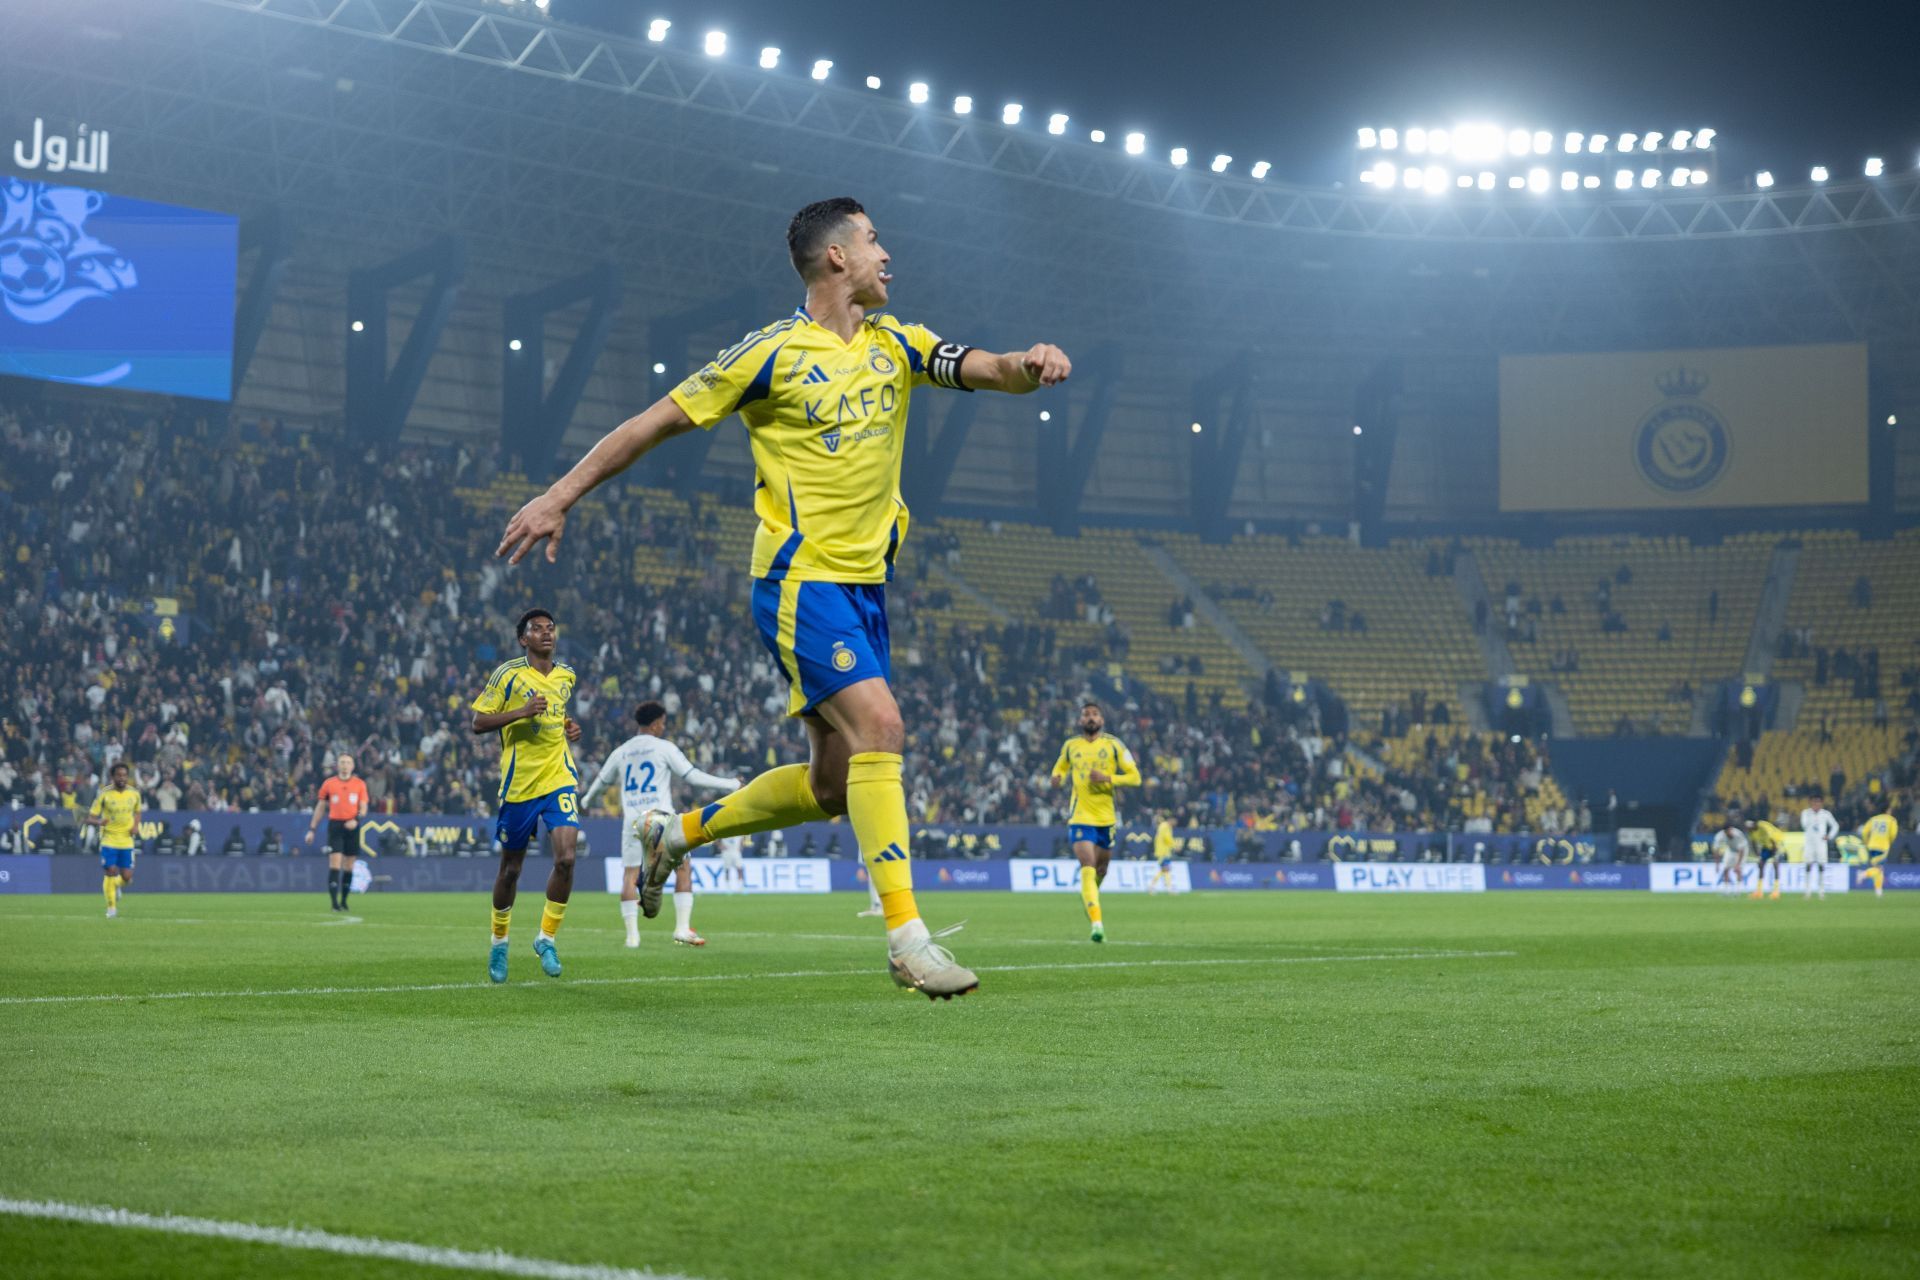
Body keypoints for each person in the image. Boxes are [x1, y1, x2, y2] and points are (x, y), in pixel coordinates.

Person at [495, 197, 1070, 1000]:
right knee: (883, 727)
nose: (886, 254)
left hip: (869, 589)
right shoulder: (768, 354)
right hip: (801, 583)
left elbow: (987, 368)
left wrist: (1031, 361)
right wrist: (561, 494)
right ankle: (908, 939)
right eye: (872, 240)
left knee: (833, 789)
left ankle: (674, 833)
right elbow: (652, 422)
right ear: (837, 257)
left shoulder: (899, 342)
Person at [470, 608, 583, 983]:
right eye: (537, 629)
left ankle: (546, 938)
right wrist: (521, 711)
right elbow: (478, 722)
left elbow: (556, 712)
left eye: (551, 628)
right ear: (523, 639)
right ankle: (499, 942)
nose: (546, 633)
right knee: (511, 869)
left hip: (559, 777)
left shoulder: (567, 675)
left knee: (566, 858)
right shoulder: (508, 674)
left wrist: (568, 726)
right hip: (519, 785)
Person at [581, 700, 740, 949]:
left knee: (630, 875)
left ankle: (632, 937)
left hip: (632, 821)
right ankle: (681, 928)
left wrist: (587, 799)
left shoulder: (621, 751)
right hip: (661, 818)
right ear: (655, 725)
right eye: (663, 724)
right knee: (684, 868)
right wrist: (729, 784)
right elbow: (692, 776)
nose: (664, 728)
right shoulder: (664, 748)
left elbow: (600, 782)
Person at [1049, 701, 1141, 941]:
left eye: (1094, 714)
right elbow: (1060, 766)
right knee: (1088, 864)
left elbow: (1135, 778)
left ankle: (1089, 897)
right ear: (1080, 721)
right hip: (1080, 816)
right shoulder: (1071, 746)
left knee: (1101, 869)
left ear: (1102, 720)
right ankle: (1097, 924)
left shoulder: (1114, 745)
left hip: (1107, 818)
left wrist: (1108, 778)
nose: (1090, 718)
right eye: (1086, 715)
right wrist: (1056, 776)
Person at [305, 753, 371, 912]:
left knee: (349, 865)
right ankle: (334, 902)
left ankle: (344, 900)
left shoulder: (360, 784)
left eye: (348, 762)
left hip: (353, 826)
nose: (345, 765)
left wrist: (356, 819)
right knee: (335, 863)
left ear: (353, 766)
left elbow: (363, 807)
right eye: (342, 762)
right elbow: (321, 807)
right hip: (335, 825)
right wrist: (312, 829)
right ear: (338, 765)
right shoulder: (329, 784)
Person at [85, 761, 141, 919]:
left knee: (127, 877)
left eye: (124, 775)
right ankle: (111, 908)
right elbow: (90, 817)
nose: (122, 778)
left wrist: (136, 826)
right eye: (119, 775)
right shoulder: (104, 794)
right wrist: (98, 822)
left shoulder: (134, 794)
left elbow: (138, 812)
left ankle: (116, 885)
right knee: (110, 871)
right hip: (109, 839)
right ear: (113, 777)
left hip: (127, 840)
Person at [1799, 792, 1840, 901]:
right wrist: (1812, 818)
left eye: (1818, 802)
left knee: (1821, 866)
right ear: (1810, 802)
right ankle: (1807, 891)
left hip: (1821, 844)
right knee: (1808, 865)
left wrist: (1829, 836)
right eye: (1814, 802)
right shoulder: (1806, 813)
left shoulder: (1826, 814)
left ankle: (1821, 891)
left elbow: (1835, 825)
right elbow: (1803, 825)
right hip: (1809, 844)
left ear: (1821, 803)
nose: (1816, 804)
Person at [1858, 800, 1899, 899]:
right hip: (1883, 846)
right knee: (1878, 868)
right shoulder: (1891, 820)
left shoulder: (1873, 819)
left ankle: (1878, 891)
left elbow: (1864, 832)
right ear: (1887, 810)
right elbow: (1893, 834)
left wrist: (1867, 842)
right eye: (1890, 809)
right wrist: (1889, 841)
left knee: (1879, 869)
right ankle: (1863, 874)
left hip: (1872, 846)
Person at [1747, 817, 1787, 899]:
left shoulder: (1762, 825)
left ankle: (1776, 891)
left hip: (1776, 843)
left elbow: (1771, 836)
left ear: (1754, 824)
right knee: (1761, 865)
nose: (1749, 829)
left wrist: (1774, 849)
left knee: (1775, 865)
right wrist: (1757, 855)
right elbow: (1753, 843)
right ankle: (1759, 891)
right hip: (1766, 846)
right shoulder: (1751, 832)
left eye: (1750, 827)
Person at [1711, 821, 1750, 896]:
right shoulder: (1720, 836)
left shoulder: (1738, 834)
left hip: (1743, 850)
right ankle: (1726, 890)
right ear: (1725, 831)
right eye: (1728, 830)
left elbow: (1741, 850)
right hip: (1731, 850)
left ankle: (1738, 890)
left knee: (1738, 870)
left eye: (1731, 830)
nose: (1730, 832)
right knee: (1726, 869)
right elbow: (1716, 850)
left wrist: (1738, 865)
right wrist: (1717, 864)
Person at [1147, 812, 1177, 895]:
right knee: (1166, 869)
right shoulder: (1166, 826)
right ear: (1171, 820)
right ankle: (1169, 888)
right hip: (1163, 852)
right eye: (1174, 821)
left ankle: (1152, 886)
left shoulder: (1163, 826)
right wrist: (1174, 845)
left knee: (1164, 870)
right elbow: (1166, 838)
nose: (1175, 823)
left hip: (1162, 851)